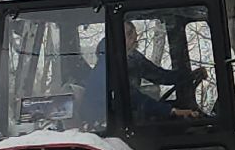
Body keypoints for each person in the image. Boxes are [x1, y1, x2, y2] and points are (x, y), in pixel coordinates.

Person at [80, 21, 208, 127]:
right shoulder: (106, 66)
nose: (135, 44)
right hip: (108, 122)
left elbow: (159, 75)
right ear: (120, 38)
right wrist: (171, 111)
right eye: (132, 39)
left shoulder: (133, 58)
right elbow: (131, 97)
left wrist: (188, 75)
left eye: (135, 39)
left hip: (127, 114)